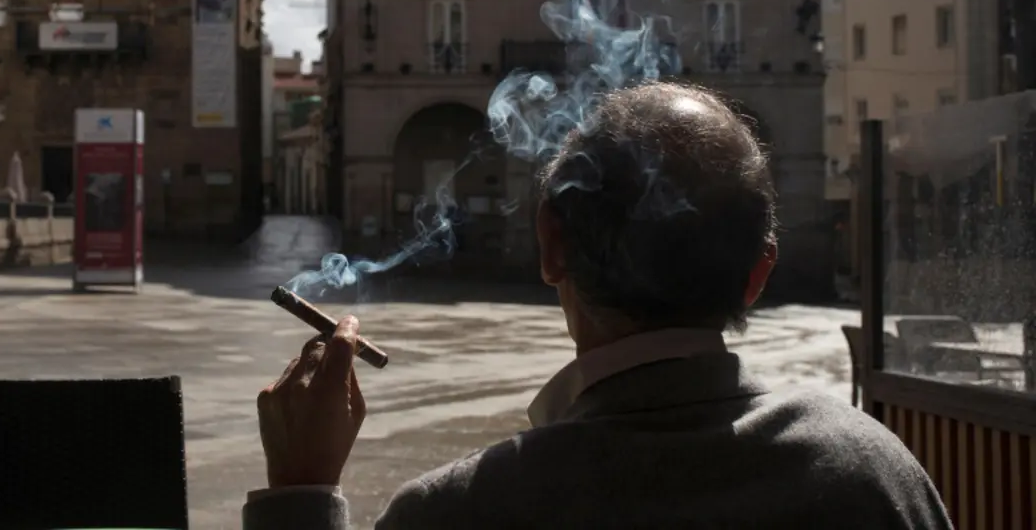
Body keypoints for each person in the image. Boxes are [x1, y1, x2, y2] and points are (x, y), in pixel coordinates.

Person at [243, 82, 953, 530]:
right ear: (757, 274)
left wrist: (301, 493)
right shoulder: (873, 476)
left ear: (552, 244)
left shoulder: (462, 512)